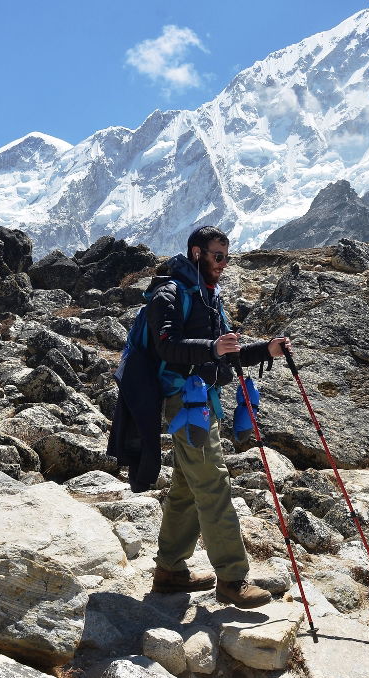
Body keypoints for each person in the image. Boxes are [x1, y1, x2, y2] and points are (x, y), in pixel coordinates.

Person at [147, 225, 290, 609]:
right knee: (212, 483)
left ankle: (169, 571)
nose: (224, 264)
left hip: (202, 399)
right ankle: (232, 578)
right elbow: (166, 348)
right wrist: (211, 346)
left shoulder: (209, 297)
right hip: (184, 404)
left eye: (227, 256)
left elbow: (228, 352)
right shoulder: (171, 293)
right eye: (218, 256)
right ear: (197, 253)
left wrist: (266, 350)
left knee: (187, 486)